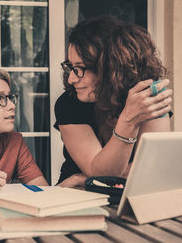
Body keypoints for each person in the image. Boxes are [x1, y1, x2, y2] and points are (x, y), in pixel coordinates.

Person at [54, 15, 173, 187]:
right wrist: (128, 120)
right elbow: (101, 173)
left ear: (111, 69)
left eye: (79, 69)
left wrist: (84, 177)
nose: (71, 79)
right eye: (70, 67)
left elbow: (155, 166)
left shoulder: (147, 98)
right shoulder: (69, 103)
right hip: (78, 194)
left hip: (129, 190)